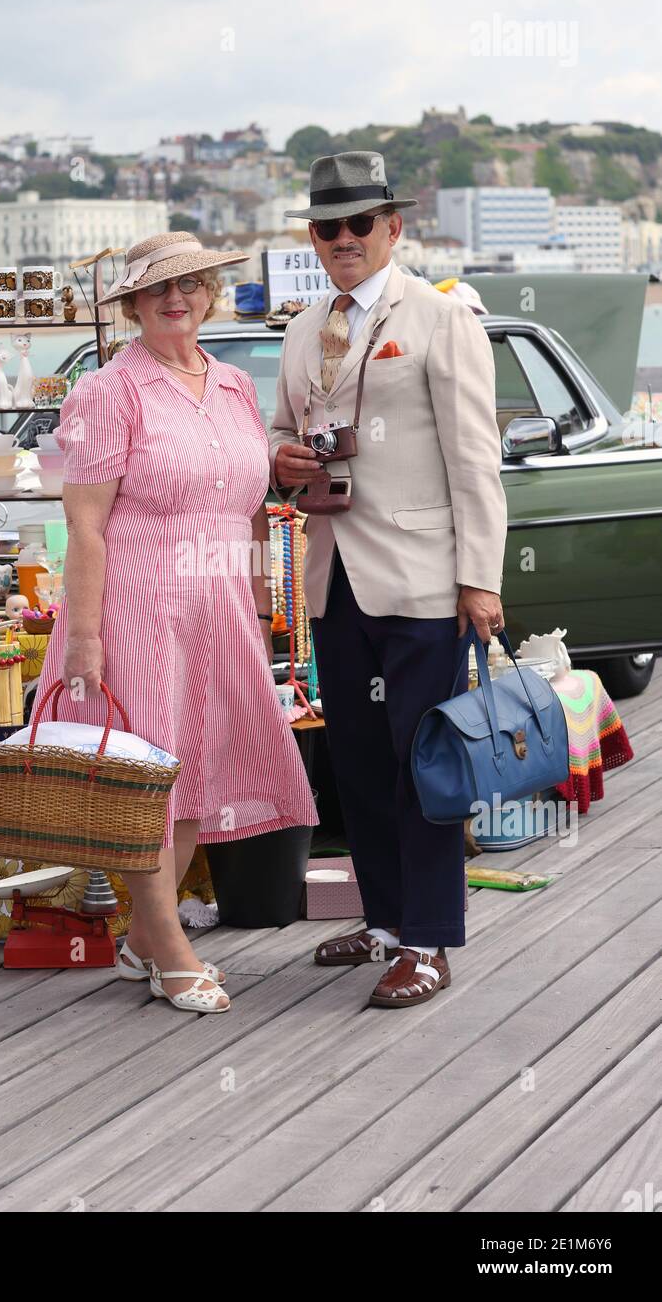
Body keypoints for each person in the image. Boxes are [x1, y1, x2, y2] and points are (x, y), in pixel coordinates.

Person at [33, 232, 318, 1016]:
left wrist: (262, 612)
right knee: (145, 781)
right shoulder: (107, 391)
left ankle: (141, 939)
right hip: (136, 603)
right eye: (159, 290)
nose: (176, 300)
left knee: (195, 768)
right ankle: (171, 950)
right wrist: (84, 636)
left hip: (218, 602)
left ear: (209, 295)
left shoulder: (230, 385)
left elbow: (251, 511)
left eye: (191, 286)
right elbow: (84, 525)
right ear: (131, 305)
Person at [271, 153, 508, 1007]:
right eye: (327, 227)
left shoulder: (442, 320)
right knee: (361, 765)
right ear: (313, 238)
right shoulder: (302, 329)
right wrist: (280, 458)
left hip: (424, 580)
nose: (342, 240)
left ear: (393, 228)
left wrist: (480, 579)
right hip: (334, 577)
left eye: (358, 224)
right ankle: (382, 922)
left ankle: (431, 940)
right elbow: (278, 433)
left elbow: (476, 459)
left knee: (426, 765)